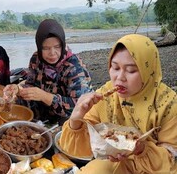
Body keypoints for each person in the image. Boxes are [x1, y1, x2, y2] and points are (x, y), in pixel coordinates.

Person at [59, 34, 177, 173]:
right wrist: (75, 119)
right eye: (115, 68)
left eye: (131, 70)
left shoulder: (168, 102)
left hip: (155, 168)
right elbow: (81, 148)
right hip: (115, 162)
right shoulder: (105, 95)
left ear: (148, 71)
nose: (120, 78)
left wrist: (141, 149)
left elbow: (171, 155)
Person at [3, 19, 92, 125]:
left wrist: (45, 96)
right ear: (39, 47)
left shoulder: (73, 66)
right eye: (46, 48)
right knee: (13, 104)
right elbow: (31, 84)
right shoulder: (36, 59)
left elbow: (80, 105)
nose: (52, 53)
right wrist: (18, 89)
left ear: (62, 45)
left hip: (70, 116)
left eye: (57, 47)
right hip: (45, 108)